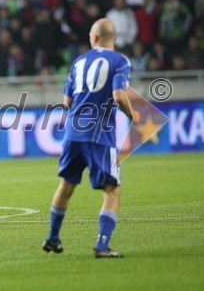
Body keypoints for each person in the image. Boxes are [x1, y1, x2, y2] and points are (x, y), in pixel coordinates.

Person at [42, 18, 139, 258]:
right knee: (112, 189)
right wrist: (133, 114)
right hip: (100, 136)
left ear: (93, 37)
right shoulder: (120, 61)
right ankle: (102, 245)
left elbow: (67, 102)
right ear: (113, 39)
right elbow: (118, 95)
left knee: (66, 185)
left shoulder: (79, 61)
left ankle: (53, 238)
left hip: (73, 132)